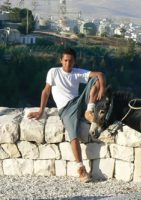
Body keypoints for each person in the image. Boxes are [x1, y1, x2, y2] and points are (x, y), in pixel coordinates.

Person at [27, 47, 105, 183]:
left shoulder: (77, 73)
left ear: (74, 61)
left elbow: (100, 74)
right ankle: (81, 169)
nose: (68, 64)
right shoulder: (54, 72)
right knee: (73, 135)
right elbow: (46, 91)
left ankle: (89, 110)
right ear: (61, 61)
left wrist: (102, 89)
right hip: (66, 109)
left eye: (71, 61)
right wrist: (41, 111)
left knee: (96, 80)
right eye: (65, 60)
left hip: (79, 102)